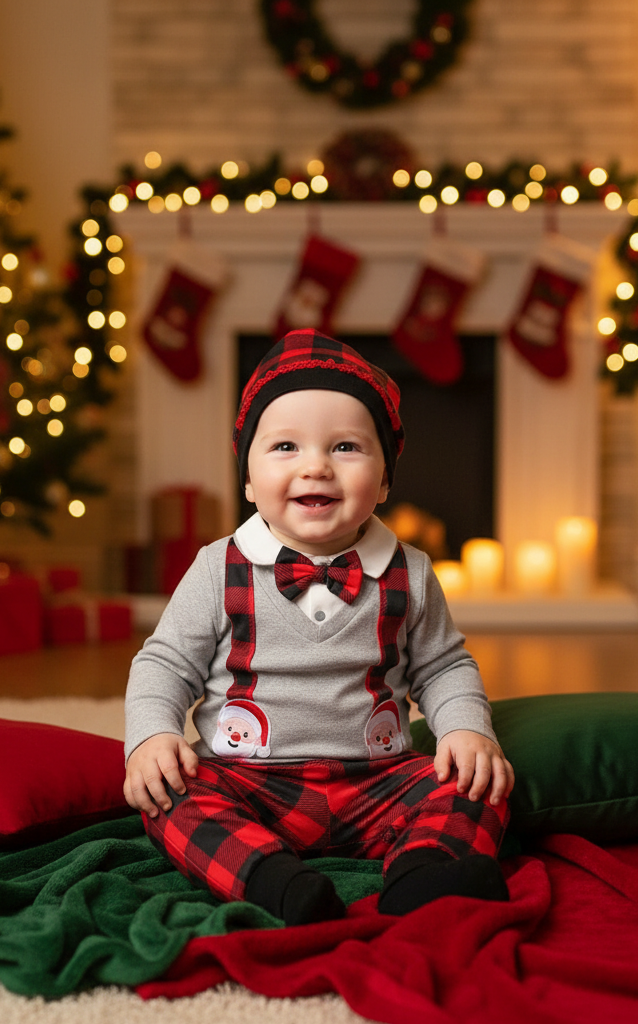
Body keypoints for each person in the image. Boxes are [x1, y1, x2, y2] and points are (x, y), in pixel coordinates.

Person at [124, 329, 515, 926]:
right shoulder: (217, 568)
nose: (315, 466)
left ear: (385, 481)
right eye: (285, 446)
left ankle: (427, 872)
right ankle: (270, 878)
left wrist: (466, 729)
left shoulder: (408, 571)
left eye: (346, 448)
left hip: (377, 780)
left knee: (477, 786)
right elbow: (164, 664)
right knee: (169, 795)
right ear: (248, 480)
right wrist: (151, 737)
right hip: (247, 781)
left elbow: (444, 666)